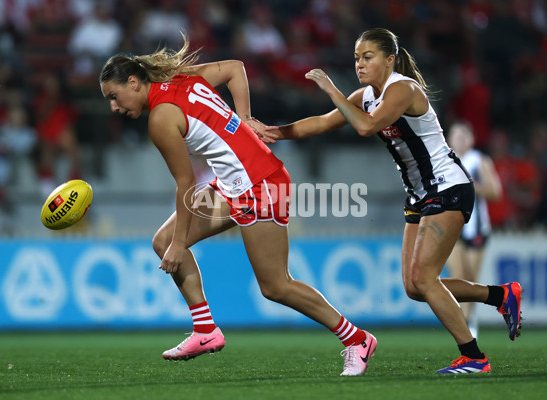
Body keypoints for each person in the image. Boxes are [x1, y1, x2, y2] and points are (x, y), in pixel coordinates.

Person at [99, 36, 376, 377]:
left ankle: (357, 339)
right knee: (162, 240)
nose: (114, 106)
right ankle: (205, 331)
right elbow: (234, 68)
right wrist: (243, 117)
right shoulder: (182, 79)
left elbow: (185, 184)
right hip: (233, 185)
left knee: (276, 286)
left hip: (260, 184)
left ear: (133, 82)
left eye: (114, 96)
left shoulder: (160, 118)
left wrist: (179, 244)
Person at [260, 28, 522, 374]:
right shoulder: (367, 95)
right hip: (419, 195)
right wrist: (273, 132)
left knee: (425, 278)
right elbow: (323, 123)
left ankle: (474, 357)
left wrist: (332, 89)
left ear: (390, 59)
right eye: (356, 58)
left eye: (367, 57)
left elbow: (366, 127)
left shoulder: (403, 89)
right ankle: (501, 296)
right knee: (415, 287)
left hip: (448, 187)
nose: (360, 64)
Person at [446, 121, 502, 338]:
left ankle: (469, 322)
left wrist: (469, 185)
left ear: (471, 139)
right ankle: (465, 324)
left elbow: (495, 192)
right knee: (457, 276)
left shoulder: (479, 161)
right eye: (455, 135)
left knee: (470, 277)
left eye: (463, 136)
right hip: (452, 225)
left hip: (475, 227)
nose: (459, 140)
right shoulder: (446, 160)